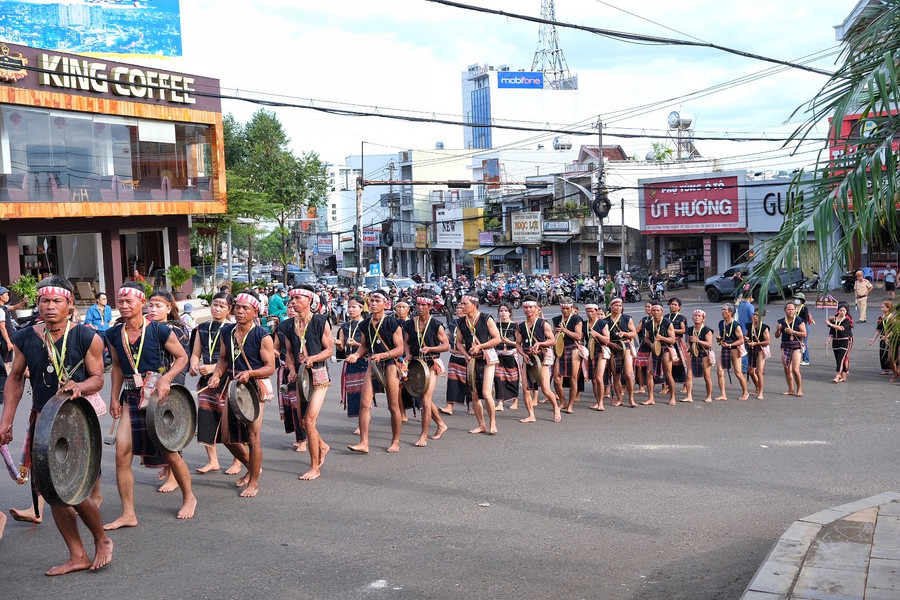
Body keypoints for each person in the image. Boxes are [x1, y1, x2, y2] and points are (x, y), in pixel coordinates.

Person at [0, 276, 113, 574]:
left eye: (56, 301)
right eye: (44, 301)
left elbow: (98, 378)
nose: (50, 306)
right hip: (42, 419)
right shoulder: (25, 337)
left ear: (70, 304)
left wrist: (81, 386)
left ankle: (102, 539)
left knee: (74, 489)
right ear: (37, 304)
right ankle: (78, 555)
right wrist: (6, 421)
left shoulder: (87, 337)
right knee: (52, 491)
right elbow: (15, 377)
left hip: (75, 420)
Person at [104, 282, 195, 529]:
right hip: (130, 396)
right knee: (121, 454)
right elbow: (117, 367)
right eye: (120, 302)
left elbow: (182, 357)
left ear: (141, 302)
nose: (124, 306)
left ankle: (189, 497)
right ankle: (128, 514)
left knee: (169, 452)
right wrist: (114, 397)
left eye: (129, 301)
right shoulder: (113, 334)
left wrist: (166, 379)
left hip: (157, 397)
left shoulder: (159, 330)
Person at [205, 290, 276, 496]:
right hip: (233, 386)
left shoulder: (263, 336)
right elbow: (223, 359)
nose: (240, 311)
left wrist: (250, 373)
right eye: (237, 307)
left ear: (255, 312)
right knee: (227, 438)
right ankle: (252, 467)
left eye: (245, 308)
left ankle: (253, 482)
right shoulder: (227, 332)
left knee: (253, 436)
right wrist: (217, 374)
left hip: (254, 388)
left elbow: (270, 367)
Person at [280, 286, 333, 479]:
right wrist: (292, 369)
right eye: (292, 299)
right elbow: (289, 352)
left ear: (309, 300)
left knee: (309, 420)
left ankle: (314, 467)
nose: (293, 302)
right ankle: (323, 446)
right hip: (301, 376)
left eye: (298, 298)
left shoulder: (320, 321)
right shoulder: (287, 325)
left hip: (318, 374)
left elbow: (329, 350)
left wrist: (314, 358)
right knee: (303, 422)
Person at [345, 289, 405, 453]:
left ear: (385, 304)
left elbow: (400, 349)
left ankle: (395, 441)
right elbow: (364, 346)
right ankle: (364, 443)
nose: (373, 304)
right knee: (364, 404)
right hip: (373, 365)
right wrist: (356, 355)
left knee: (393, 406)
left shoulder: (392, 323)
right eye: (371, 301)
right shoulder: (365, 324)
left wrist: (383, 355)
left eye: (377, 301)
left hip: (390, 365)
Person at [190, 291, 242, 475]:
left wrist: (213, 368)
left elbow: (234, 357)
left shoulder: (234, 329)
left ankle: (238, 461)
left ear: (229, 309)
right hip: (207, 381)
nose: (217, 308)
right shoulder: (202, 327)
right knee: (206, 418)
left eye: (222, 305)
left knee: (233, 420)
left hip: (228, 378)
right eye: (215, 304)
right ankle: (213, 461)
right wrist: (194, 364)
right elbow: (196, 353)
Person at [147, 289, 191, 494]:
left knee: (171, 429)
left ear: (168, 308)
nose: (153, 309)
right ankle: (167, 466)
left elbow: (181, 360)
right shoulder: (147, 328)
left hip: (170, 384)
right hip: (151, 384)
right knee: (158, 427)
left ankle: (174, 476)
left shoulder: (177, 330)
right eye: (151, 305)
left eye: (158, 306)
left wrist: (171, 383)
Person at [402, 295, 449, 445]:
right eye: (418, 304)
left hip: (431, 363)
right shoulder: (410, 324)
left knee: (425, 398)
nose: (420, 307)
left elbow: (446, 345)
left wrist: (430, 348)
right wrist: (407, 353)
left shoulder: (436, 325)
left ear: (430, 307)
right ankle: (441, 424)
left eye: (424, 305)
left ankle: (423, 435)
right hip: (416, 364)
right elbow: (405, 341)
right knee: (424, 397)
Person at [455, 294, 502, 435]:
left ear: (474, 305)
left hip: (487, 358)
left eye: (465, 304)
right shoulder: (461, 322)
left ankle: (492, 423)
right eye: (461, 304)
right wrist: (466, 355)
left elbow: (497, 339)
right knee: (474, 395)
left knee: (486, 393)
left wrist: (480, 346)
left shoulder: (486, 318)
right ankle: (481, 425)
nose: (461, 306)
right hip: (472, 360)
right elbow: (458, 343)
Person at [515, 297, 561, 422]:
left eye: (530, 307)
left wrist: (540, 344)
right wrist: (523, 354)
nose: (528, 309)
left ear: (536, 309)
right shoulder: (521, 326)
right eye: (525, 307)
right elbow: (518, 344)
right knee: (525, 389)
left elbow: (552, 340)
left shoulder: (543, 323)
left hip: (541, 358)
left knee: (545, 389)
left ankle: (556, 408)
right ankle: (531, 415)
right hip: (528, 359)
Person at [336, 296, 368, 423]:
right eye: (349, 307)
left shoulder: (367, 325)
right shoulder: (344, 326)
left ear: (361, 309)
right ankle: (361, 422)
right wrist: (339, 344)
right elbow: (342, 348)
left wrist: (356, 344)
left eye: (354, 307)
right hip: (350, 363)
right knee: (354, 394)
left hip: (364, 363)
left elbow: (369, 347)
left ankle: (363, 423)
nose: (350, 310)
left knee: (364, 395)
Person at [606, 297, 638, 407]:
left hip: (626, 347)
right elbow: (604, 338)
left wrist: (625, 334)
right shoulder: (605, 320)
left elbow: (634, 333)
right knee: (616, 375)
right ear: (611, 307)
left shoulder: (627, 318)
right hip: (613, 348)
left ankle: (631, 399)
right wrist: (610, 344)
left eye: (620, 306)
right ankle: (620, 399)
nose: (618, 307)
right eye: (616, 305)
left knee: (628, 375)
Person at [552, 299, 583, 413]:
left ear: (571, 308)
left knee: (573, 379)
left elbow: (578, 336)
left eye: (567, 308)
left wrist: (565, 330)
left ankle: (570, 405)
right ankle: (563, 401)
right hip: (560, 349)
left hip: (573, 348)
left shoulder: (576, 319)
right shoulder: (556, 319)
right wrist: (555, 333)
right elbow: (553, 335)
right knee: (556, 379)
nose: (565, 310)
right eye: (563, 308)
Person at [439, 303, 470, 416]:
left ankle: (471, 406)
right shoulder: (454, 322)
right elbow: (447, 336)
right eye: (457, 308)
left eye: (461, 308)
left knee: (470, 383)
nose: (459, 310)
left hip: (468, 358)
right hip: (455, 357)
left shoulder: (470, 323)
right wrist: (444, 343)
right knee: (452, 382)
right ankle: (449, 407)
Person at [643, 302, 676, 406]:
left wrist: (662, 338)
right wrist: (650, 344)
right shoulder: (648, 323)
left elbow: (673, 339)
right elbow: (646, 338)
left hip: (665, 348)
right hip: (653, 349)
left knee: (668, 373)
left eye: (658, 310)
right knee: (649, 372)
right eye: (653, 310)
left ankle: (672, 397)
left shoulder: (667, 322)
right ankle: (651, 398)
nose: (656, 312)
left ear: (662, 311)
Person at [714, 303, 749, 401]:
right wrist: (719, 338)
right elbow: (721, 334)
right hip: (725, 349)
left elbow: (741, 340)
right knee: (720, 371)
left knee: (738, 373)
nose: (722, 312)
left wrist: (730, 345)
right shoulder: (721, 323)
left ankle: (745, 392)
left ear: (731, 312)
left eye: (725, 310)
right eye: (722, 309)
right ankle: (723, 394)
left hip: (734, 349)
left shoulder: (736, 325)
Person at [775, 300, 806, 397]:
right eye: (788, 309)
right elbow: (776, 336)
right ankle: (791, 389)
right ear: (785, 310)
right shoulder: (781, 321)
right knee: (787, 369)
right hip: (785, 346)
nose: (791, 311)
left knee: (795, 369)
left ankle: (799, 389)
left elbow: (804, 334)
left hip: (796, 346)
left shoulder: (799, 320)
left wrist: (793, 332)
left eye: (792, 309)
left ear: (795, 310)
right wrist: (778, 330)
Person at [683, 309, 714, 403]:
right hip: (693, 353)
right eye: (695, 316)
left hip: (704, 354)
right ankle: (689, 396)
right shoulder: (690, 329)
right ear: (692, 318)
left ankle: (709, 396)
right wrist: (688, 347)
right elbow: (688, 342)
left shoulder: (707, 330)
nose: (697, 317)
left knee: (707, 377)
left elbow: (709, 344)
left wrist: (698, 341)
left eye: (699, 316)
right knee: (689, 376)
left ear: (703, 319)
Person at [494, 303, 519, 411]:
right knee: (498, 378)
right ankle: (500, 403)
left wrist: (509, 342)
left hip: (511, 354)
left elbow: (519, 343)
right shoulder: (495, 325)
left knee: (513, 378)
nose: (503, 313)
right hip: (498, 355)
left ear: (510, 313)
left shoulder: (515, 326)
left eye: (505, 310)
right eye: (501, 310)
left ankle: (515, 401)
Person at [583, 303, 608, 411]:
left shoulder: (602, 323)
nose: (590, 313)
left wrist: (597, 334)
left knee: (599, 378)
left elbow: (607, 340)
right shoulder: (584, 324)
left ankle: (601, 403)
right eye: (588, 311)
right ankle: (597, 402)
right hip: (589, 351)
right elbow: (581, 338)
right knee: (593, 379)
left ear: (596, 311)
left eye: (592, 311)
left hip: (601, 351)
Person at [745, 309, 770, 400]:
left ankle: (760, 392)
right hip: (752, 349)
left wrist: (755, 343)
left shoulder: (764, 328)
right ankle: (757, 387)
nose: (754, 316)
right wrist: (746, 339)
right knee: (750, 370)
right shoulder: (749, 325)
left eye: (757, 315)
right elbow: (747, 335)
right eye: (754, 314)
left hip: (760, 349)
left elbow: (767, 341)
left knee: (759, 371)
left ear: (762, 317)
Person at [825, 303, 853, 383]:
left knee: (841, 358)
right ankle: (843, 376)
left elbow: (841, 328)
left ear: (846, 311)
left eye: (844, 310)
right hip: (835, 342)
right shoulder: (835, 320)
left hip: (844, 341)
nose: (842, 312)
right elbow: (832, 332)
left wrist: (830, 324)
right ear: (838, 311)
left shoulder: (847, 320)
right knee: (838, 359)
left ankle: (837, 376)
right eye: (841, 310)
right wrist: (828, 340)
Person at [870, 300, 898, 379]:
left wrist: (887, 336)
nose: (882, 308)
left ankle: (895, 368)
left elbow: (894, 329)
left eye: (883, 307)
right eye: (881, 307)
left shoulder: (892, 317)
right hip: (882, 337)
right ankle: (885, 369)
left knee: (892, 354)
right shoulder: (881, 317)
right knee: (883, 353)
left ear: (888, 308)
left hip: (891, 337)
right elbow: (878, 329)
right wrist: (873, 339)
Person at [794, 293, 815, 365]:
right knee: (797, 343)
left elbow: (805, 320)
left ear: (801, 300)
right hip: (797, 327)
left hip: (803, 327)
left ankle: (806, 360)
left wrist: (803, 328)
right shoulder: (795, 307)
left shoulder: (804, 308)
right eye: (796, 298)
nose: (796, 300)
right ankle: (799, 359)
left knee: (803, 343)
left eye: (798, 299)